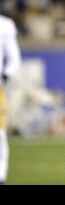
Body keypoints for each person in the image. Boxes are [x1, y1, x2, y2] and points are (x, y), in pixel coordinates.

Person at [0, 15, 22, 184]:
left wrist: (5, 77)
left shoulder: (5, 25)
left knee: (0, 134)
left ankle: (1, 176)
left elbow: (14, 59)